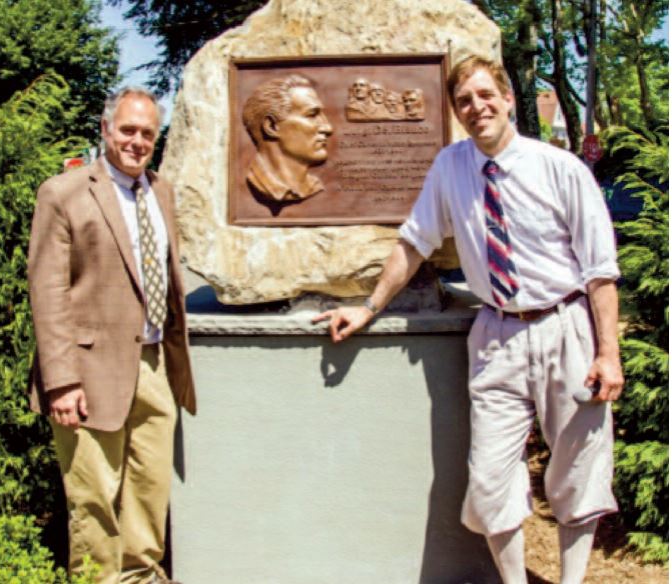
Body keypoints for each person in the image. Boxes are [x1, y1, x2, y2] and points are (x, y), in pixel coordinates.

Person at [314, 56, 624, 584]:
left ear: (507, 99)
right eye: (464, 101)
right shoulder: (449, 167)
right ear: (457, 113)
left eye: (486, 95)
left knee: (578, 472)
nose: (476, 107)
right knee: (489, 481)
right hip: (496, 334)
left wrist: (607, 353)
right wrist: (368, 308)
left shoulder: (560, 168)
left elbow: (599, 271)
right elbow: (414, 243)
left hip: (564, 327)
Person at [28, 87, 196, 584]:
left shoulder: (160, 190)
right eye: (128, 130)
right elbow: (48, 289)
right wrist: (61, 382)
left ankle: (142, 575)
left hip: (154, 366)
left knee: (149, 487)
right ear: (106, 129)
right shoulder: (63, 193)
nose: (137, 141)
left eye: (147, 133)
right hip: (88, 372)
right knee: (95, 496)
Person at [242, 74, 333, 202]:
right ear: (272, 127)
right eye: (312, 115)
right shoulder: (258, 183)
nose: (328, 128)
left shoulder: (315, 186)